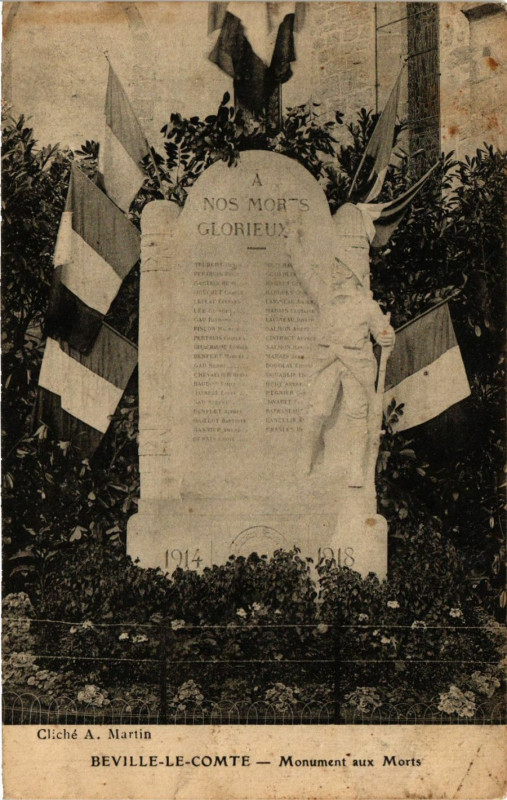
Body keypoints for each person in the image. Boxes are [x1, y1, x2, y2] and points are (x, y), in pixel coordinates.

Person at [291, 203, 395, 486]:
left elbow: (383, 332)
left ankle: (354, 469)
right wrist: (293, 244)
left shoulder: (366, 305)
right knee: (318, 410)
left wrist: (387, 336)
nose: (334, 270)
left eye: (339, 266)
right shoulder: (325, 296)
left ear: (350, 271)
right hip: (328, 361)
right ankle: (304, 463)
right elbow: (304, 272)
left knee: (356, 415)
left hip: (356, 364)